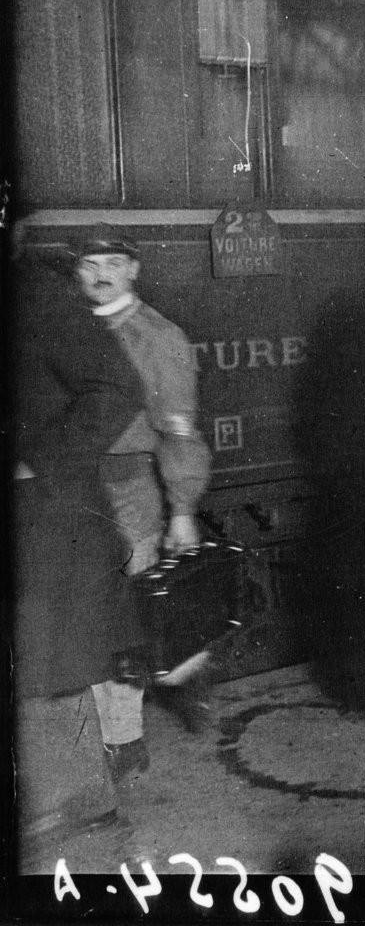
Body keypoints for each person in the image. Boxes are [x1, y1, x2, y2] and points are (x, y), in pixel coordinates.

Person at [73, 227, 215, 785]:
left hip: (130, 487)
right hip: (76, 488)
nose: (100, 274)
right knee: (91, 613)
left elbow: (178, 433)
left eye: (112, 263)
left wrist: (182, 507)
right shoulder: (77, 330)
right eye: (89, 264)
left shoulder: (158, 337)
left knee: (126, 615)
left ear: (133, 270)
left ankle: (125, 742)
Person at [12, 249, 146, 842]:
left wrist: (35, 463)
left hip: (46, 510)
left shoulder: (36, 294)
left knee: (47, 649)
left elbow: (117, 389)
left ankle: (79, 799)